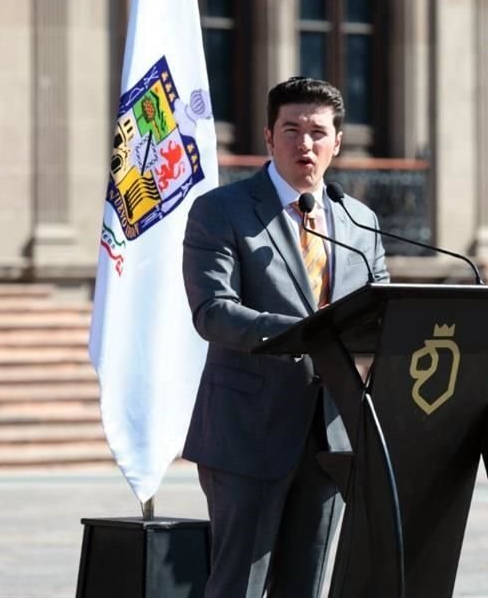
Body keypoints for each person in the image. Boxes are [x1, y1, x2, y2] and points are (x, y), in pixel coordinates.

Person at [181, 76, 389, 598]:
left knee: (308, 587)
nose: (305, 144)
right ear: (268, 137)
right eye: (291, 130)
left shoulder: (358, 219)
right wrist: (309, 335)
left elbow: (384, 311)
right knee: (239, 586)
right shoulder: (221, 211)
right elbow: (213, 312)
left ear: (337, 142)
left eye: (318, 132)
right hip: (248, 432)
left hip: (332, 434)